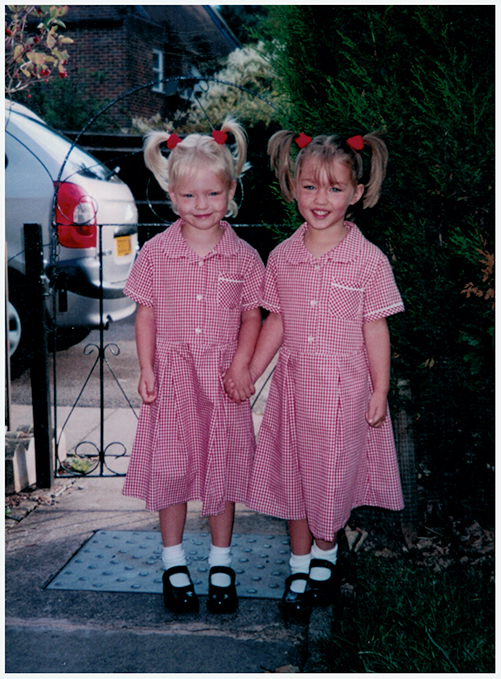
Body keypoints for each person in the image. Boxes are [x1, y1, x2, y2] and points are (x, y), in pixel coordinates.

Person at [230, 129, 404, 616]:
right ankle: (299, 566)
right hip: (293, 395)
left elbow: (375, 327)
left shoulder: (368, 261)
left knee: (328, 478)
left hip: (344, 395)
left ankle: (325, 558)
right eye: (309, 186)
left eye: (333, 188)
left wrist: (380, 387)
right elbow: (277, 319)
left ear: (356, 193)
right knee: (295, 480)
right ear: (292, 185)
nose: (320, 198)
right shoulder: (283, 257)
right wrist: (250, 370)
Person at [122, 118, 264, 615]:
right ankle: (174, 562)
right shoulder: (156, 254)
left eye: (212, 194)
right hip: (175, 383)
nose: (201, 206)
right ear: (171, 193)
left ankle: (221, 563)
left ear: (230, 190)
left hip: (224, 385)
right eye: (189, 196)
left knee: (221, 472)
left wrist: (243, 363)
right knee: (173, 471)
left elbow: (253, 316)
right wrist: (146, 367)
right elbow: (147, 312)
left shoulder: (245, 258)